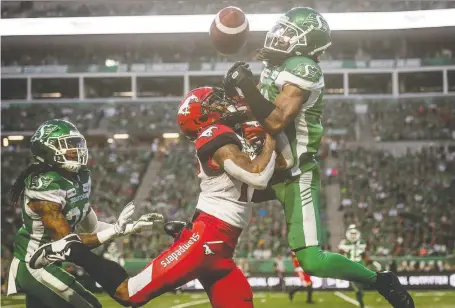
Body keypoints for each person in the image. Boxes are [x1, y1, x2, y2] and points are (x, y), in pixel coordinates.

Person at [222, 6, 414, 308]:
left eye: (289, 33)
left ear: (307, 42)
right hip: (268, 167)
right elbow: (257, 111)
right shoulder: (277, 64)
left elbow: (274, 121)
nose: (280, 36)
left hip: (295, 174)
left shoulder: (303, 67)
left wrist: (245, 85)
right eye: (282, 29)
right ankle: (192, 238)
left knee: (312, 261)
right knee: (218, 187)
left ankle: (381, 281)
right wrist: (232, 103)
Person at [29, 87, 278, 308]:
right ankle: (74, 250)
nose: (223, 106)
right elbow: (257, 176)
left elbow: (254, 189)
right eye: (214, 103)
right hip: (208, 239)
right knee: (129, 293)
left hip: (222, 246)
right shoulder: (213, 133)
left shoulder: (225, 135)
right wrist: (273, 134)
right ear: (202, 115)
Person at [6, 119, 162, 308]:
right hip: (34, 265)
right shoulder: (45, 185)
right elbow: (69, 245)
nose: (75, 150)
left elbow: (94, 227)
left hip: (52, 263)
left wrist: (130, 227)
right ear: (47, 150)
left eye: (76, 144)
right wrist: (114, 232)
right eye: (67, 145)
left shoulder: (79, 177)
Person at [339, 225, 376, 308]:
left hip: (360, 266)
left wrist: (368, 263)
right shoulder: (344, 243)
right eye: (351, 233)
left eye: (355, 233)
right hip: (350, 267)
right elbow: (340, 254)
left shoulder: (361, 243)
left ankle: (360, 292)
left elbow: (364, 255)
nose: (353, 235)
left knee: (361, 284)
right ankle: (360, 299)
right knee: (356, 286)